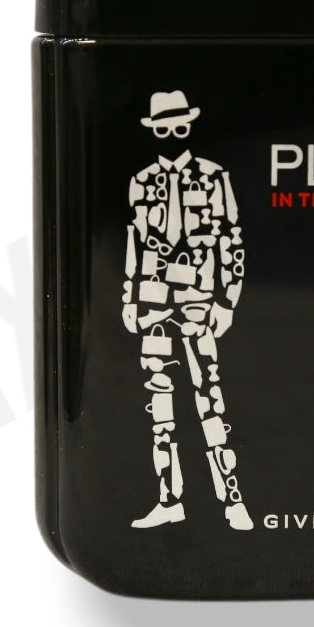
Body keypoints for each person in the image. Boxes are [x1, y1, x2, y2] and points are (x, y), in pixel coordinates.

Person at [121, 91, 254, 530]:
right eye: (164, 128)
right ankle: (169, 499)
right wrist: (130, 296)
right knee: (160, 404)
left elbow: (231, 238)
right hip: (154, 302)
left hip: (198, 300)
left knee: (209, 398)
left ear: (190, 125)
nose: (172, 135)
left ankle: (231, 498)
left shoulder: (213, 177)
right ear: (154, 130)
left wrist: (227, 298)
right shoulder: (141, 182)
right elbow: (134, 242)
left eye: (179, 126)